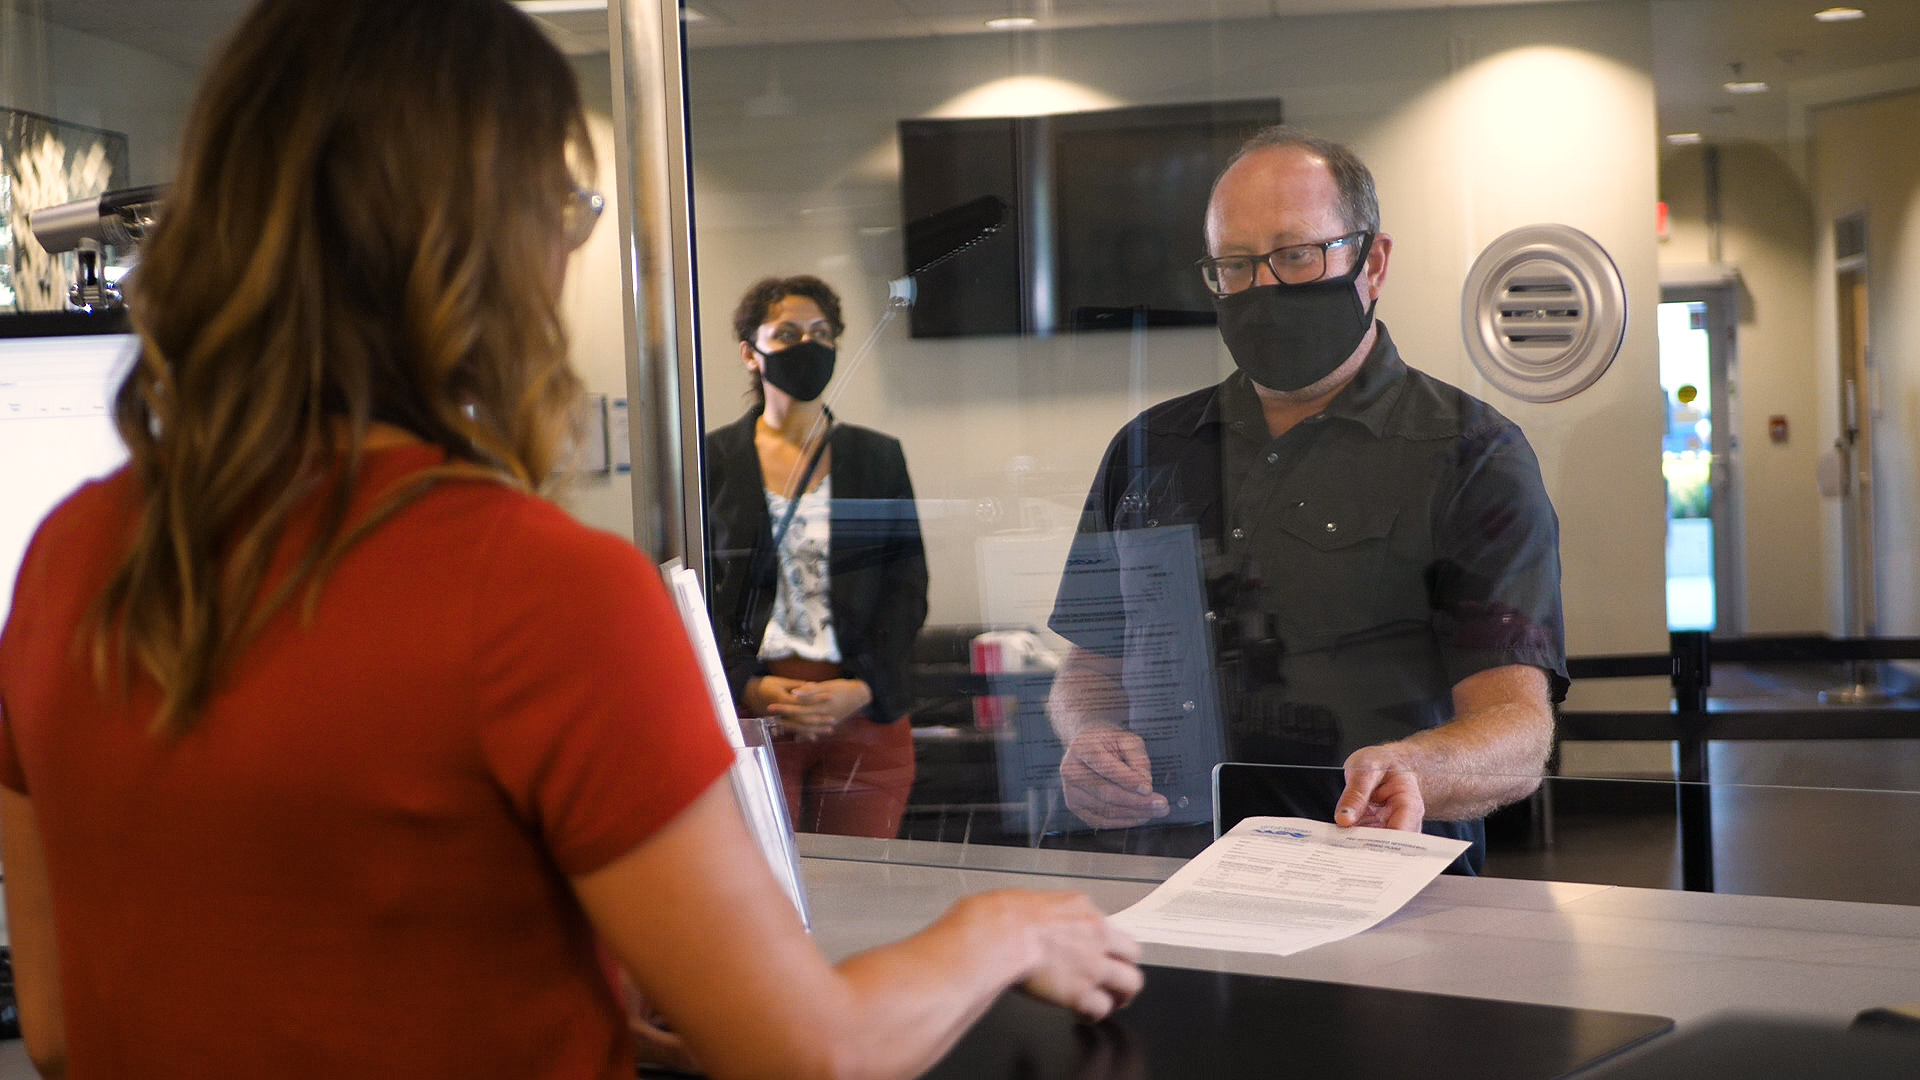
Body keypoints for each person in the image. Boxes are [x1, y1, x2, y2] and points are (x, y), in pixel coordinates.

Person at [0, 2, 1140, 1077]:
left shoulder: (66, 557)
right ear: (491, 246)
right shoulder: (539, 591)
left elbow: (57, 1025)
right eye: (567, 211)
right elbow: (812, 1051)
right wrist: (999, 930)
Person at [1048, 125, 1566, 869]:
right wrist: (1091, 737)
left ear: (1373, 261)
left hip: (1373, 888)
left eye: (1295, 255)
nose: (1264, 290)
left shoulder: (1470, 454)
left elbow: (1517, 729)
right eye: (1235, 265)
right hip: (1164, 880)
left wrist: (1414, 770)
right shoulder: (1148, 448)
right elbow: (1089, 669)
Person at [705, 276, 929, 839]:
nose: (807, 344)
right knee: (763, 894)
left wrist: (860, 686)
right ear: (749, 353)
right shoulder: (710, 459)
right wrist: (748, 687)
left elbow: (907, 587)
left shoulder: (878, 456)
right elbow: (697, 591)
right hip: (751, 714)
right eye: (787, 332)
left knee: (861, 898)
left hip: (863, 713)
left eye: (821, 332)